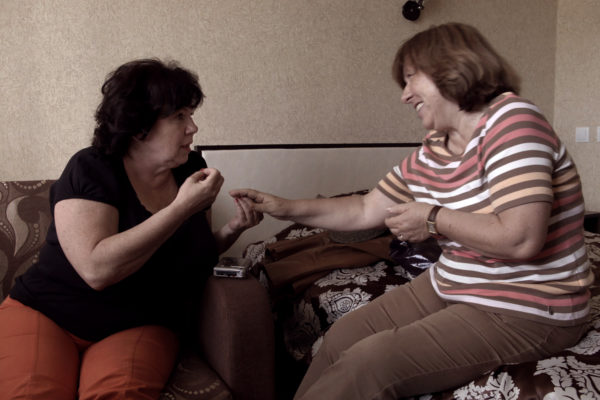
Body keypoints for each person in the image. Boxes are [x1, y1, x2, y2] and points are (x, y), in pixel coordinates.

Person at [231, 22, 593, 399]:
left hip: (530, 308)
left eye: (410, 79)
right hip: (452, 283)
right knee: (341, 338)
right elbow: (363, 208)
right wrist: (284, 207)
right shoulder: (432, 150)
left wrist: (432, 218)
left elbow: (521, 239)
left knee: (369, 363)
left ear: (450, 67)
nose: (404, 96)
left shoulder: (513, 121)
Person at [0, 59, 262, 399]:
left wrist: (233, 228)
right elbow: (96, 270)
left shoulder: (190, 170)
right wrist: (181, 208)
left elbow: (190, 256)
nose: (193, 127)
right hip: (47, 312)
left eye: (191, 114)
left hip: (140, 321)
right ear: (139, 126)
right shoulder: (91, 168)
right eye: (179, 116)